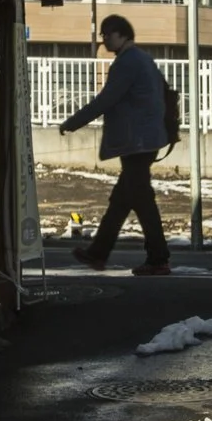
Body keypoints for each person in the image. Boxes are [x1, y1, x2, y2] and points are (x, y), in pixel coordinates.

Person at [59, 14, 173, 275]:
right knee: (122, 200)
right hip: (146, 139)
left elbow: (106, 99)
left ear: (122, 34)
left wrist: (73, 122)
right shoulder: (143, 59)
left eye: (107, 34)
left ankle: (158, 259)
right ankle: (98, 253)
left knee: (142, 201)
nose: (104, 40)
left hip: (137, 142)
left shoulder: (128, 62)